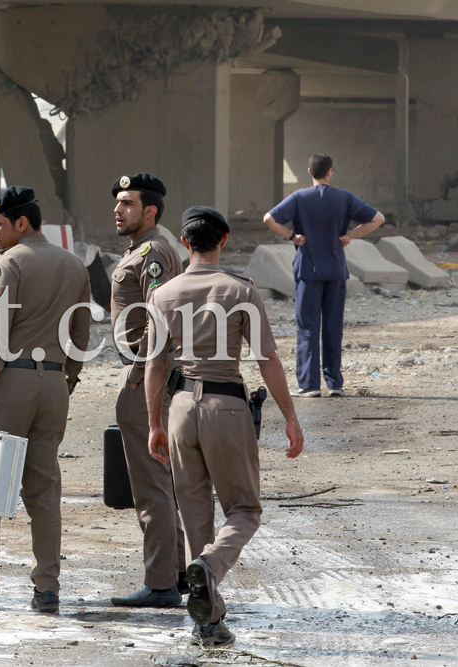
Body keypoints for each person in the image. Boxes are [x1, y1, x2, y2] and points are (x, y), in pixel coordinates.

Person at [145, 206, 304, 647]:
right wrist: (290, 416)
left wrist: (154, 424)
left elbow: (155, 367)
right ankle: (211, 568)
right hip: (225, 404)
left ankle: (208, 622)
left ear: (183, 242)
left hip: (179, 408)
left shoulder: (163, 295)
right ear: (225, 240)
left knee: (195, 515)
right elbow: (266, 359)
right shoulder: (240, 291)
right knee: (244, 510)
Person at [0, 186, 91, 613]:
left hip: (11, 383)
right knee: (44, 492)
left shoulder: (7, 264)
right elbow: (80, 336)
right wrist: (65, 380)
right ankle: (47, 588)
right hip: (54, 385)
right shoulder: (74, 264)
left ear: (22, 223)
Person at [106, 173, 188, 608]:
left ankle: (160, 585)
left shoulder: (154, 250)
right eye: (117, 203)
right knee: (162, 481)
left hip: (147, 381)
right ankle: (176, 572)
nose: (118, 210)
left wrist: (139, 375)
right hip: (148, 376)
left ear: (150, 210)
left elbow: (160, 320)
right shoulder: (144, 247)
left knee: (151, 485)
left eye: (127, 204)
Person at [263, 153, 385, 398]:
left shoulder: (299, 197)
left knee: (308, 326)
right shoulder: (345, 198)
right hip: (336, 270)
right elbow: (377, 219)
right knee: (332, 326)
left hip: (308, 270)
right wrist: (351, 235)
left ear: (309, 172)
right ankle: (335, 383)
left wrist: (292, 237)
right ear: (331, 171)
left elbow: (269, 218)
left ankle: (309, 385)